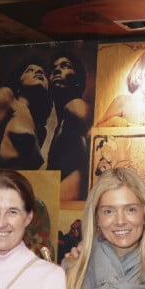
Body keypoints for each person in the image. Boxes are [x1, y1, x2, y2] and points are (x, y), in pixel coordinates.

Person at [46, 51, 93, 201]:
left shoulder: (75, 106)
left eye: (65, 66)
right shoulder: (61, 120)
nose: (57, 70)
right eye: (53, 69)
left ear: (78, 81)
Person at [0, 60, 53, 170]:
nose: (38, 72)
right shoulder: (7, 97)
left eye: (43, 73)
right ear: (19, 82)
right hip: (5, 182)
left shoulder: (41, 131)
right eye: (30, 70)